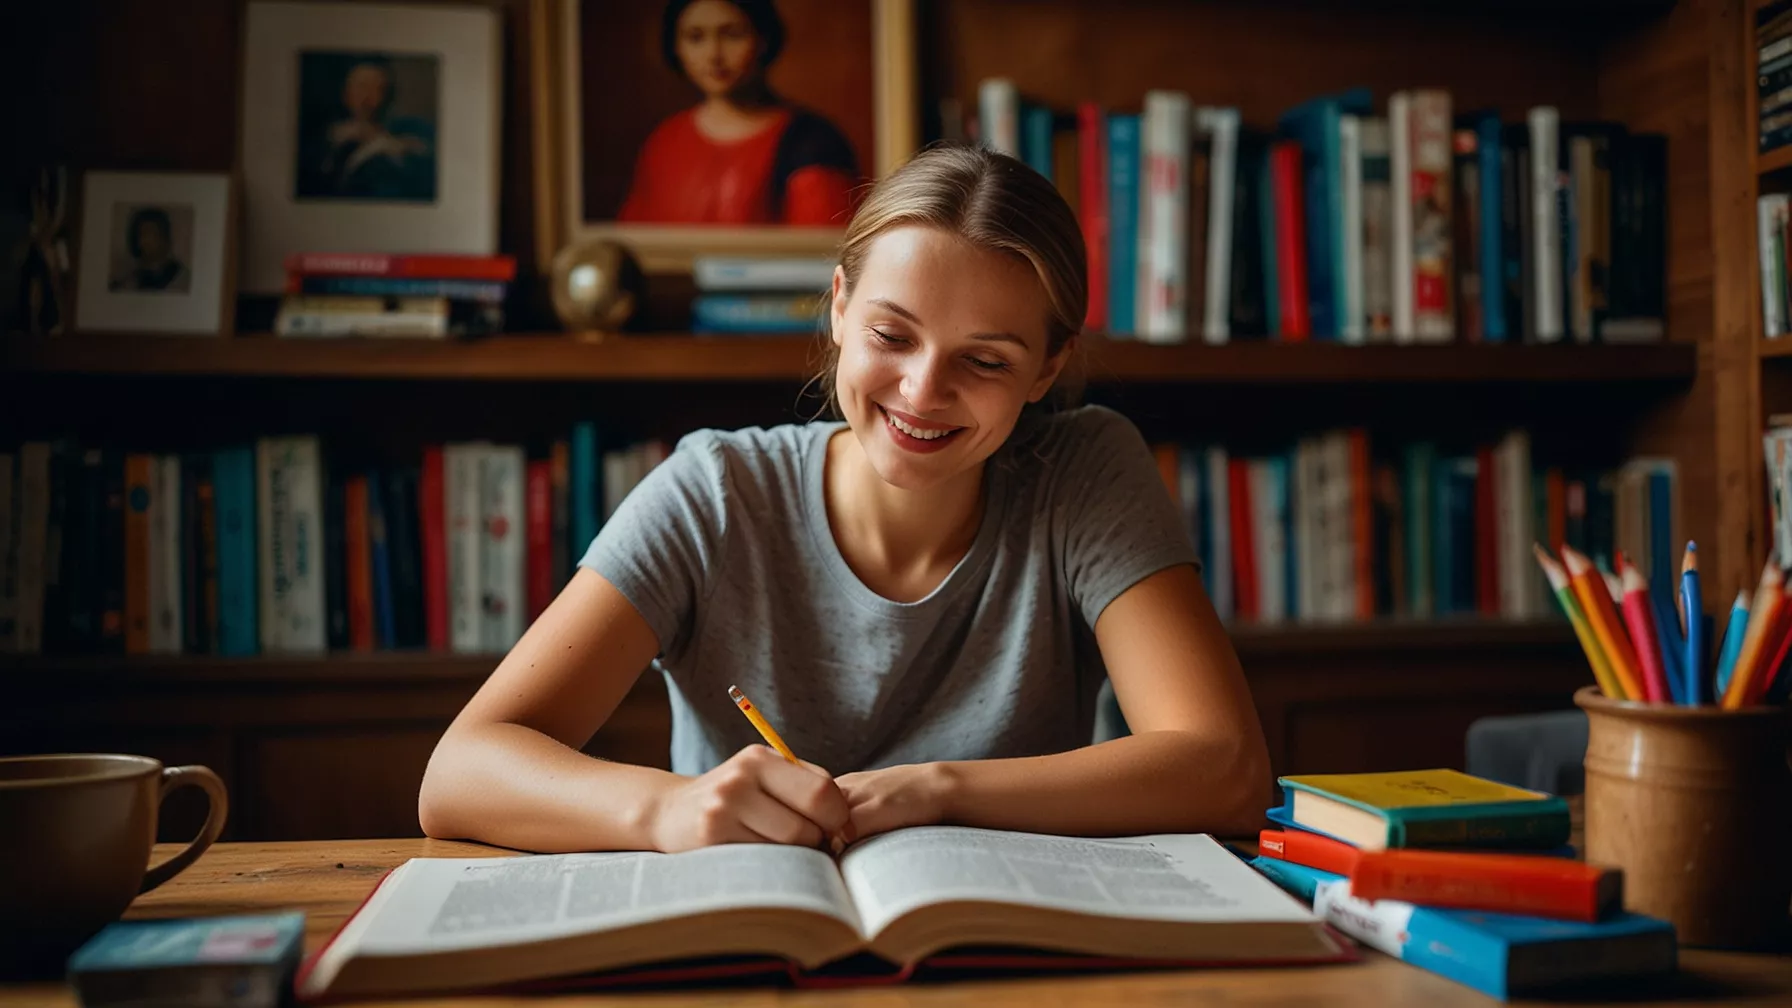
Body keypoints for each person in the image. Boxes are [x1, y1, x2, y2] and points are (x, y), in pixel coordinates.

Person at [419, 145, 1271, 854]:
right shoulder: (716, 491)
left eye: (985, 360)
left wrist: (937, 791)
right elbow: (458, 774)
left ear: (1047, 368)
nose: (922, 391)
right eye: (891, 335)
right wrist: (668, 810)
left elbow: (1226, 769)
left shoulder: (1084, 471)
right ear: (838, 307)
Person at [616, 0, 859, 226]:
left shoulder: (812, 142)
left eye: (732, 35)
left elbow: (820, 247)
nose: (714, 54)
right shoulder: (664, 141)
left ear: (763, 40)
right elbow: (637, 241)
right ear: (676, 48)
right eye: (695, 37)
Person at [298, 58, 435, 201]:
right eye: (361, 87)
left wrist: (375, 138)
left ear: (389, 96)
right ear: (346, 93)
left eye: (378, 89)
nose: (367, 97)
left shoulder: (409, 128)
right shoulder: (325, 136)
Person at [111, 207, 188, 292]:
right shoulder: (129, 283)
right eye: (141, 234)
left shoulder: (181, 280)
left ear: (164, 238)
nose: (144, 240)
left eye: (150, 234)